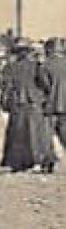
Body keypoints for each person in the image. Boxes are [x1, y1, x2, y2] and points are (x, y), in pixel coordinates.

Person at [0, 43, 52, 173]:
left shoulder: (10, 68)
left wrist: (3, 104)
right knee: (36, 135)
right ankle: (37, 161)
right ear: (29, 53)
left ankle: (17, 163)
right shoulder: (37, 67)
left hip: (17, 104)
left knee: (17, 135)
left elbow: (6, 88)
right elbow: (45, 84)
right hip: (34, 103)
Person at [43, 39, 66, 173]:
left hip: (51, 105)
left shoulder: (45, 66)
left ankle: (49, 162)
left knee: (47, 136)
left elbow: (43, 86)